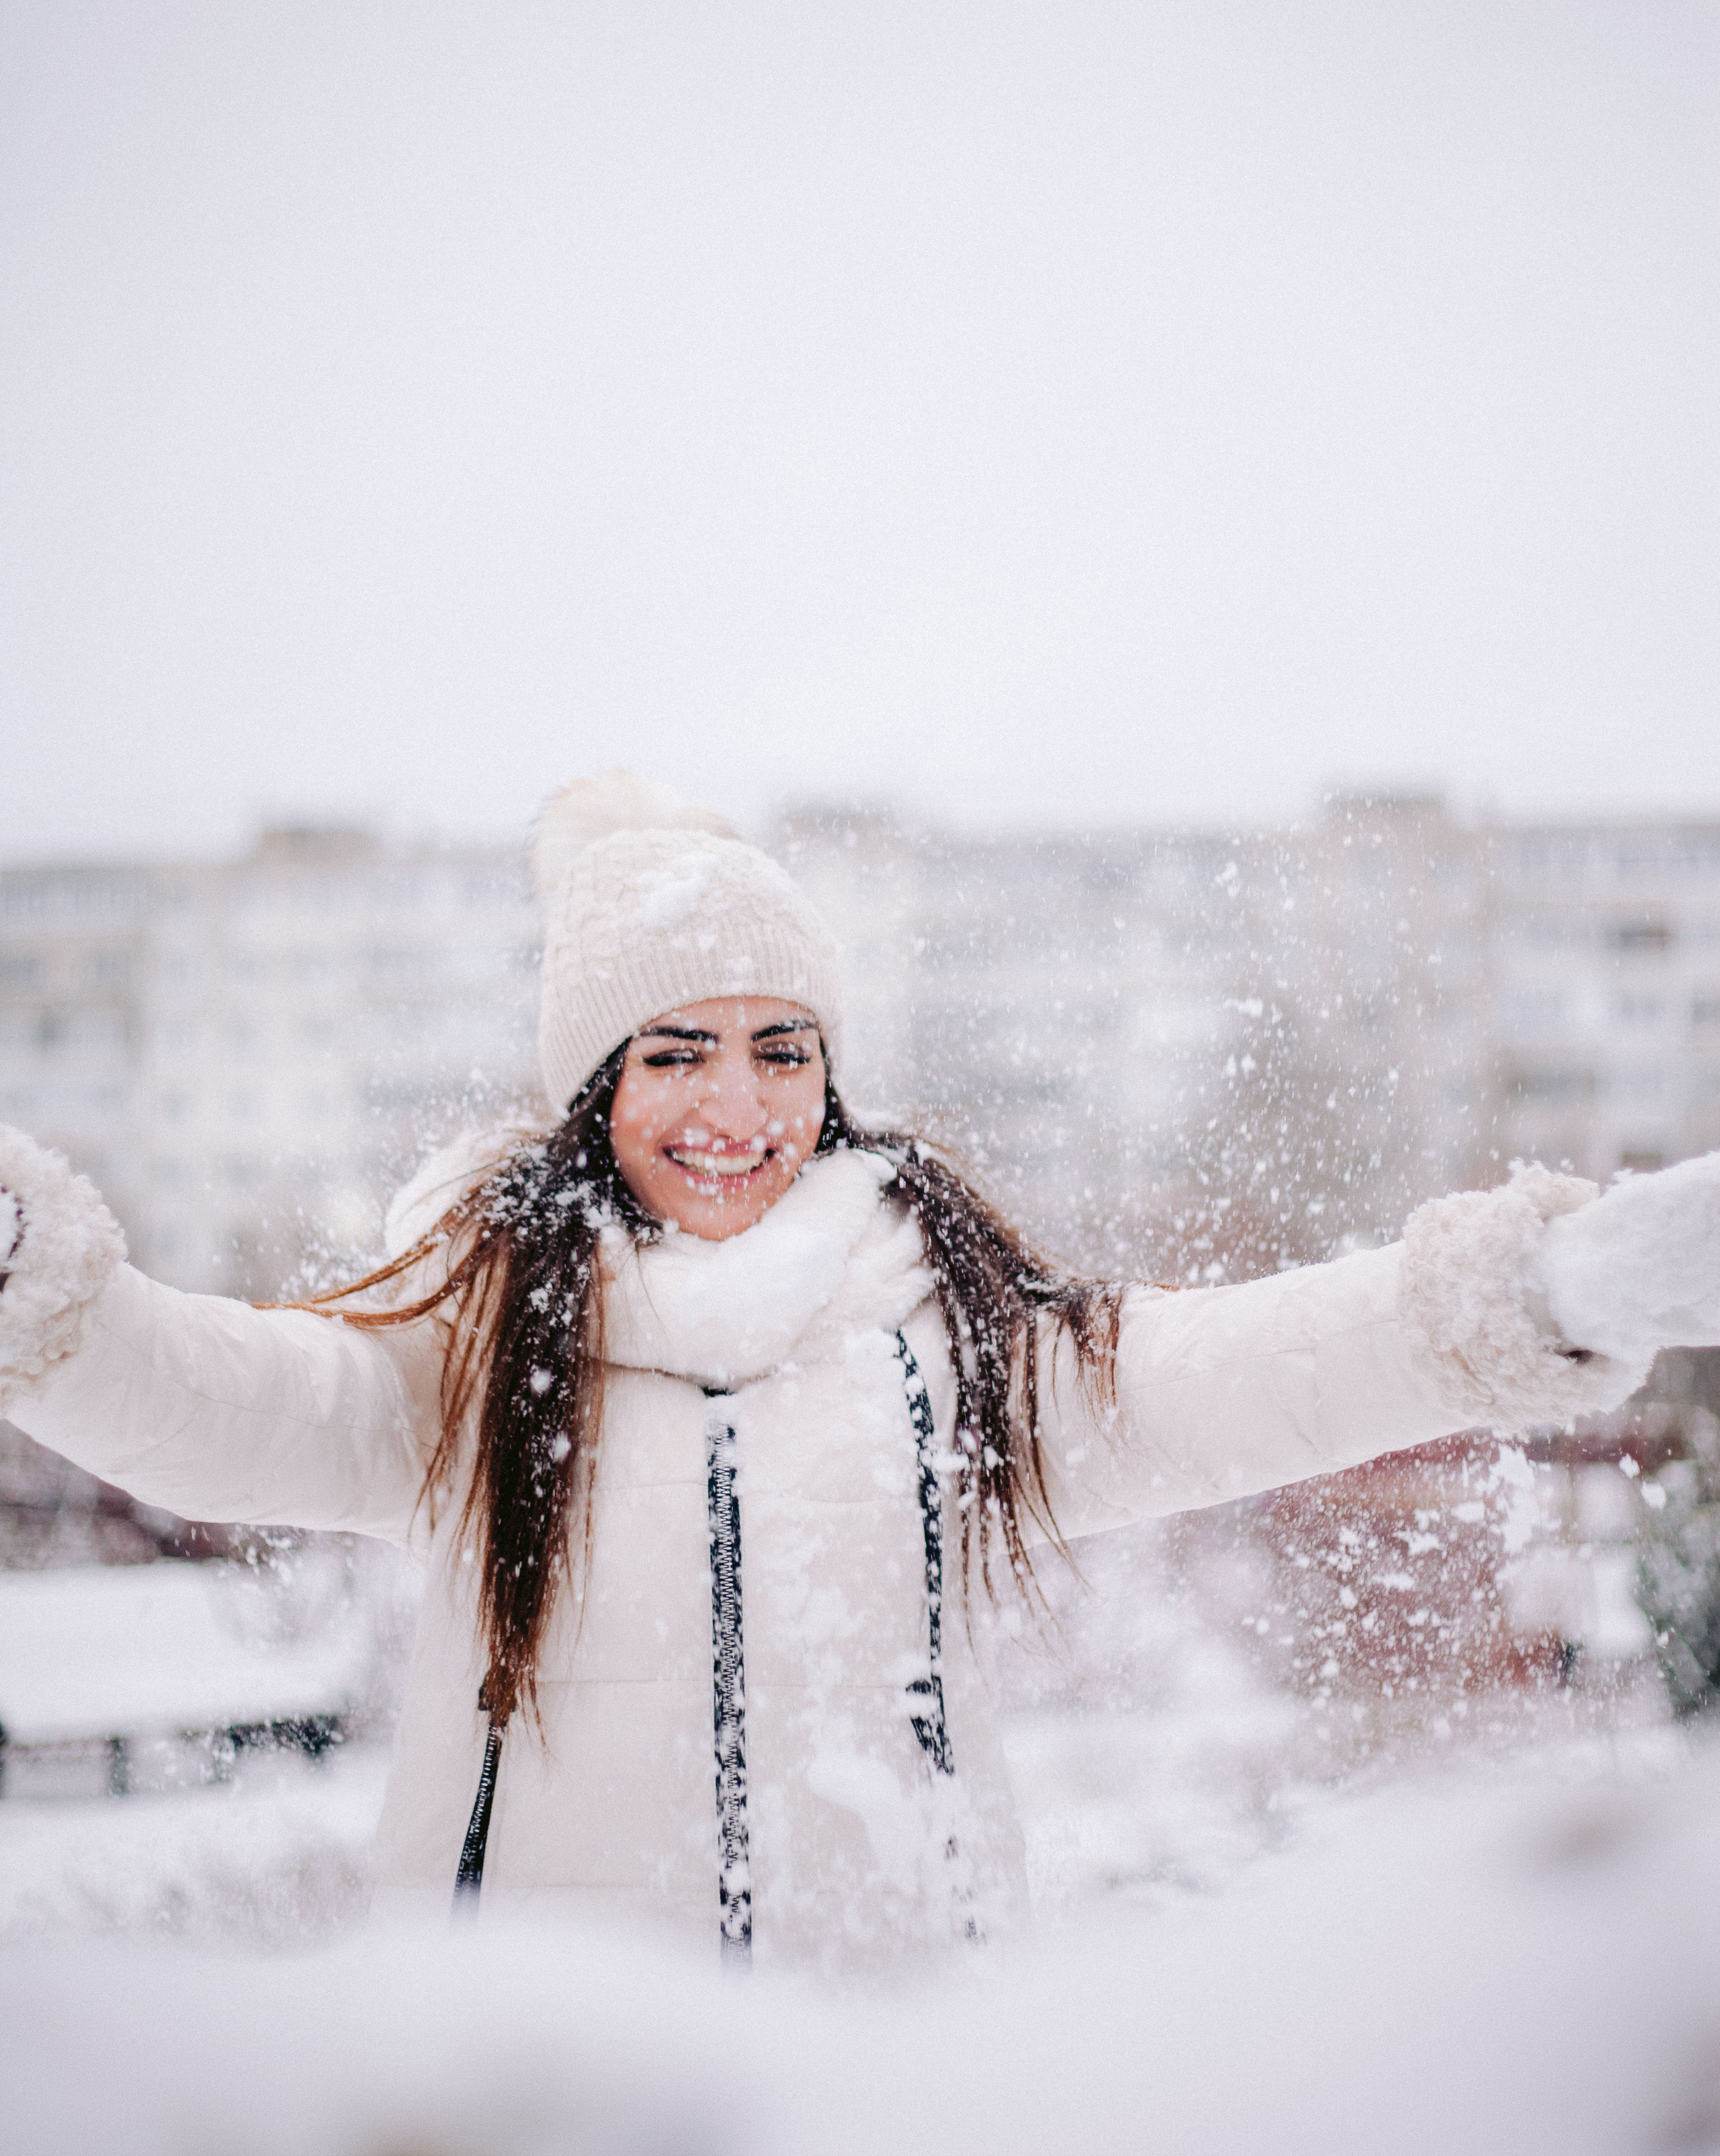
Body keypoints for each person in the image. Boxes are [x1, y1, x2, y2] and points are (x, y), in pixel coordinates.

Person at [2, 771, 1717, 1975]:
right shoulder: (483, 1343)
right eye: (673, 1053)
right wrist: (43, 1294)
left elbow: (1229, 1371)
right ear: (592, 1088)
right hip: (543, 2098)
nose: (735, 1108)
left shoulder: (937, 1341)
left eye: (781, 1050)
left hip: (888, 2089)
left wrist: (1546, 1287)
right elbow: (226, 1403)